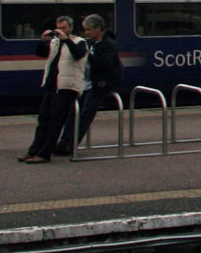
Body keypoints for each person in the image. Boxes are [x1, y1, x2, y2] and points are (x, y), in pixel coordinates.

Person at [20, 16, 86, 163]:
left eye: (64, 28)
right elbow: (41, 53)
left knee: (55, 122)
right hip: (51, 86)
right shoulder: (54, 43)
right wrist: (42, 41)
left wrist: (66, 40)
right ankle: (33, 151)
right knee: (43, 120)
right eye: (59, 28)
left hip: (66, 87)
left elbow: (78, 54)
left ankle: (44, 154)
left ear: (70, 28)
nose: (61, 31)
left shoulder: (80, 42)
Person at [62, 13, 124, 151]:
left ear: (98, 29)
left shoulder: (109, 45)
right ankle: (63, 141)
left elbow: (104, 64)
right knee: (73, 112)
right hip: (86, 82)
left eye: (89, 29)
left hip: (101, 83)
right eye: (86, 30)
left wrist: (88, 55)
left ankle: (71, 144)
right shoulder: (88, 43)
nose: (87, 33)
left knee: (86, 113)